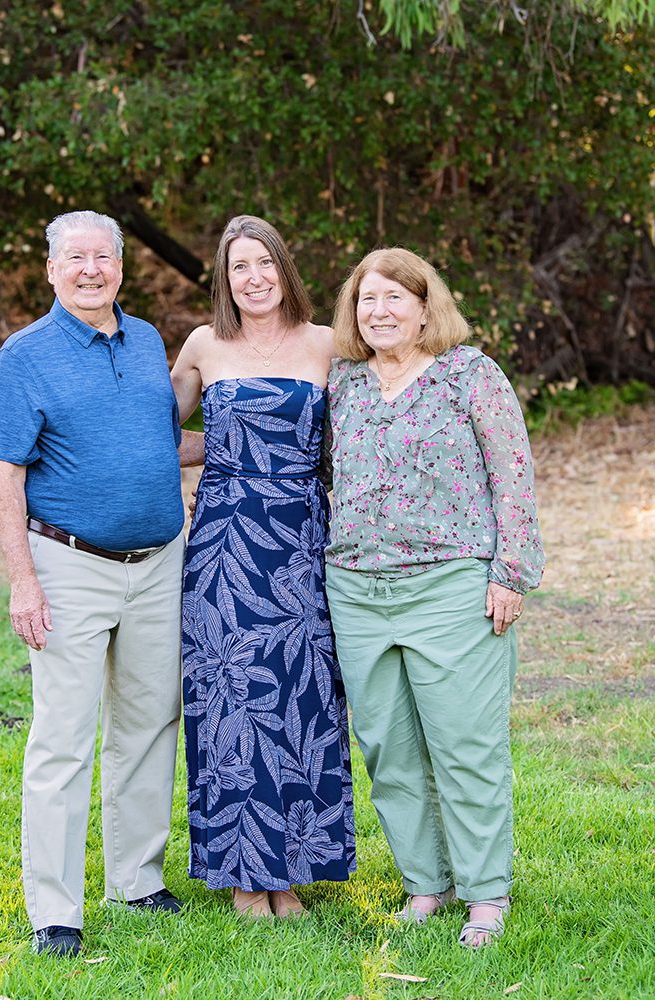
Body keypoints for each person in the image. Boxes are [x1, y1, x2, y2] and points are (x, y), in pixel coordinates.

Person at [0, 210, 202, 957]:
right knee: (63, 739)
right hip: (69, 565)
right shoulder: (26, 355)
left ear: (122, 268)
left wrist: (255, 438)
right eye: (75, 258)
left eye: (103, 257)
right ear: (51, 270)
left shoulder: (146, 342)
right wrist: (23, 581)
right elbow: (5, 474)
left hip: (158, 564)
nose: (90, 270)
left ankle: (136, 880)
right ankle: (55, 911)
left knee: (149, 724)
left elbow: (160, 443)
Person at [324, 247, 544, 947]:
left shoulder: (469, 375)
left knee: (464, 746)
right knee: (387, 748)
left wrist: (511, 572)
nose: (379, 311)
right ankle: (427, 883)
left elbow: (512, 474)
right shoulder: (344, 383)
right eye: (367, 299)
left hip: (450, 587)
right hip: (356, 589)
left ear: (426, 308)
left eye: (395, 297)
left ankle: (486, 894)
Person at [170, 215, 355, 919]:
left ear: (284, 268)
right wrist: (224, 450)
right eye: (238, 267)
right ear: (224, 280)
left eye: (264, 263)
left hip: (303, 538)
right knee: (232, 700)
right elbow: (155, 435)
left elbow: (358, 437)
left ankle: (291, 869)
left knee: (302, 700)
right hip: (226, 544)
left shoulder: (327, 343)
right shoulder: (203, 345)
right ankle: (246, 877)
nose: (254, 278)